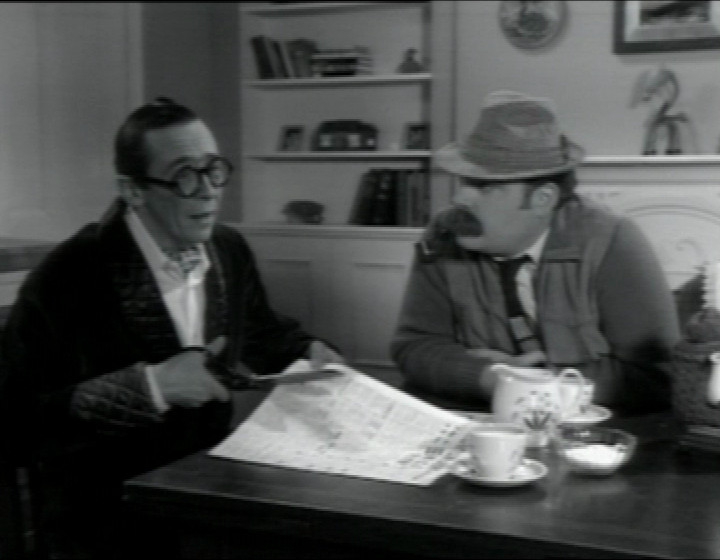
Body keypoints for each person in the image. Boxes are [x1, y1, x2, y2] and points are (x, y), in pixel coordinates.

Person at [0, 97, 342, 558]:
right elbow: (15, 422)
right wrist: (152, 386)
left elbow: (261, 331)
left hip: (207, 496)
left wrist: (312, 351)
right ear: (133, 190)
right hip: (107, 521)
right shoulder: (69, 276)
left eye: (213, 169)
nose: (209, 191)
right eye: (184, 175)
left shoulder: (228, 249)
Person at [391, 90, 680, 414]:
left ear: (543, 199)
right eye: (463, 181)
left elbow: (659, 378)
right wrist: (489, 378)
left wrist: (537, 384)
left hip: (593, 439)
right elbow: (413, 346)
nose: (460, 198)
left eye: (484, 187)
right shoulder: (444, 235)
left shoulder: (612, 241)